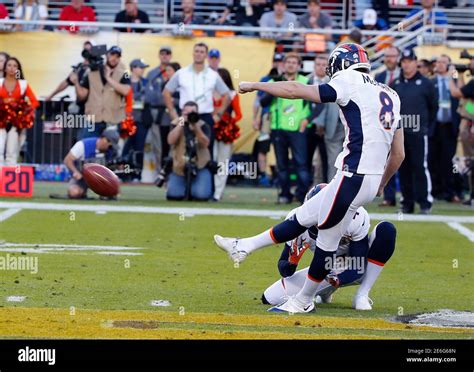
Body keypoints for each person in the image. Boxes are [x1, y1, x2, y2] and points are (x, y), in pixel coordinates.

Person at [215, 43, 404, 314]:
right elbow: (398, 154)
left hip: (353, 176)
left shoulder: (349, 80)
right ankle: (243, 246)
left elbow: (294, 90)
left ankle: (303, 301)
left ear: (342, 63)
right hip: (366, 178)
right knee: (301, 218)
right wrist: (382, 184)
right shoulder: (390, 93)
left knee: (326, 242)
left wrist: (256, 85)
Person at [262, 184, 397, 311]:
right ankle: (324, 292)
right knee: (269, 298)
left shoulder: (355, 217)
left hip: (349, 265)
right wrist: (292, 261)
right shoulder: (296, 219)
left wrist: (338, 279)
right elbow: (284, 269)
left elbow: (358, 267)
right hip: (322, 267)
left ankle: (362, 293)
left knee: (386, 230)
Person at [163, 42, 230, 155]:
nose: (198, 54)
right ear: (193, 53)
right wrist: (173, 113)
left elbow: (227, 95)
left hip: (205, 117)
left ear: (206, 55)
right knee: (181, 149)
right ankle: (179, 171)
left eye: (202, 52)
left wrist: (218, 115)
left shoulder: (213, 75)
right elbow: (166, 92)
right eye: (196, 51)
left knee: (206, 151)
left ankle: (206, 173)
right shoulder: (181, 73)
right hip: (184, 116)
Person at [392, 49, 437, 214]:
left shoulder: (426, 83)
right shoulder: (396, 83)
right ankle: (407, 203)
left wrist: (425, 128)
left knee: (419, 167)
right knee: (402, 168)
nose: (406, 64)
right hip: (400, 134)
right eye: (403, 61)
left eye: (409, 61)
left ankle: (425, 203)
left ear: (415, 62)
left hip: (418, 133)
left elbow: (433, 108)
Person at [266, 52, 311, 204]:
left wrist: (306, 120)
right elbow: (263, 102)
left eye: (294, 62)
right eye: (288, 62)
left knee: (301, 164)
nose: (291, 64)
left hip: (297, 129)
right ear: (283, 65)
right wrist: (276, 83)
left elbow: (314, 105)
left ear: (299, 66)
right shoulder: (276, 81)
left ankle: (302, 195)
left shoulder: (306, 81)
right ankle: (285, 194)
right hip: (278, 128)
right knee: (282, 165)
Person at [74, 46, 131, 137]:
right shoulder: (92, 71)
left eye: (117, 56)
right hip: (93, 118)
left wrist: (108, 78)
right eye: (112, 54)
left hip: (112, 120)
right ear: (107, 55)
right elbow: (82, 95)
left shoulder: (125, 72)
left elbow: (126, 91)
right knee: (87, 147)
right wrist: (76, 82)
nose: (114, 58)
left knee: (111, 149)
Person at [429, 54, 461, 203]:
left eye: (444, 62)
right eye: (438, 62)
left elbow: (463, 102)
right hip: (434, 126)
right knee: (432, 159)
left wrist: (453, 76)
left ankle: (451, 191)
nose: (440, 64)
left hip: (450, 126)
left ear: (449, 65)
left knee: (449, 161)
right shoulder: (430, 82)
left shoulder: (455, 82)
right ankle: (436, 191)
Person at [166, 101, 212, 201]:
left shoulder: (203, 125)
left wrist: (196, 127)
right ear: (182, 113)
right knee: (174, 196)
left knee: (200, 196)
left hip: (200, 166)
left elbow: (205, 144)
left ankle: (194, 188)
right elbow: (170, 141)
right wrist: (181, 124)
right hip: (179, 167)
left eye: (192, 113)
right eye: (187, 113)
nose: (189, 116)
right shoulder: (176, 123)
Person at [308, 54, 342, 183]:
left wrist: (320, 123)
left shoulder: (333, 82)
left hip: (330, 128)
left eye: (324, 65)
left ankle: (329, 187)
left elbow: (326, 105)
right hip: (309, 127)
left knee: (329, 160)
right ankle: (311, 188)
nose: (321, 68)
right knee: (309, 160)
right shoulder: (307, 81)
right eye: (318, 64)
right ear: (314, 66)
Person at [252, 53, 284, 187]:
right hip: (266, 118)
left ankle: (278, 174)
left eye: (279, 62)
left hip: (282, 118)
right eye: (275, 62)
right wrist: (255, 118)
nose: (277, 64)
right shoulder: (265, 79)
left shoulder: (285, 78)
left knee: (280, 148)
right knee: (263, 147)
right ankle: (263, 174)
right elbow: (257, 101)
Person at [0, 57, 39, 166]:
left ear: (18, 69)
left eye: (15, 66)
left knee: (11, 153)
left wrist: (25, 112)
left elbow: (34, 102)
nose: (12, 68)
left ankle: (8, 179)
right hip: (1, 121)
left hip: (15, 123)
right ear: (5, 68)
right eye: (9, 65)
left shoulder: (23, 84)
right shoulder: (0, 82)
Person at [375, 46, 401, 207]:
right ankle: (388, 196)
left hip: (400, 123)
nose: (389, 59)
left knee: (399, 156)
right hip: (382, 124)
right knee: (384, 159)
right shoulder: (379, 76)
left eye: (392, 56)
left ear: (398, 57)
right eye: (387, 56)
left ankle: (406, 197)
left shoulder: (404, 75)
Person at [213, 68, 242, 201]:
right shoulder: (209, 92)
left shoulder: (231, 94)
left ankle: (217, 193)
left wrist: (228, 123)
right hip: (209, 131)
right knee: (209, 160)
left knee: (222, 162)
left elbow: (239, 115)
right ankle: (208, 189)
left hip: (224, 132)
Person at [45, 41, 93, 121]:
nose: (87, 52)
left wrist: (76, 82)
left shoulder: (97, 68)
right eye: (85, 50)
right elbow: (66, 82)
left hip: (93, 109)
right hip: (81, 108)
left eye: (89, 50)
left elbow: (83, 95)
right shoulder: (79, 67)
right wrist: (51, 95)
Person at [449, 55, 474, 207]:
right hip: (469, 123)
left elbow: (456, 93)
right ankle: (471, 195)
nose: (470, 63)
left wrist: (450, 77)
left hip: (470, 126)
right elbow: (464, 93)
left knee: (469, 161)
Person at [63, 131, 119, 198]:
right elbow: (67, 160)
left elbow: (112, 169)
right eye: (110, 144)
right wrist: (76, 172)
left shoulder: (111, 151)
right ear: (104, 139)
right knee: (74, 193)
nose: (110, 147)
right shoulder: (83, 145)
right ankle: (82, 192)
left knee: (112, 193)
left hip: (100, 179)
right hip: (82, 178)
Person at [122, 58, 151, 181]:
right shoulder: (125, 81)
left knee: (139, 148)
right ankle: (124, 173)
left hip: (141, 120)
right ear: (133, 68)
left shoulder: (146, 82)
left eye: (143, 67)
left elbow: (150, 98)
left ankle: (137, 175)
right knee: (126, 148)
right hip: (126, 120)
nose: (143, 70)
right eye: (141, 67)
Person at [146, 45, 173, 172]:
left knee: (172, 144)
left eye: (167, 53)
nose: (165, 56)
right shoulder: (152, 74)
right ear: (159, 55)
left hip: (173, 113)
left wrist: (169, 101)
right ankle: (159, 172)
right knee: (158, 145)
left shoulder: (176, 72)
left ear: (170, 56)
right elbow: (149, 95)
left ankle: (171, 172)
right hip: (157, 112)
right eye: (162, 53)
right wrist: (165, 99)